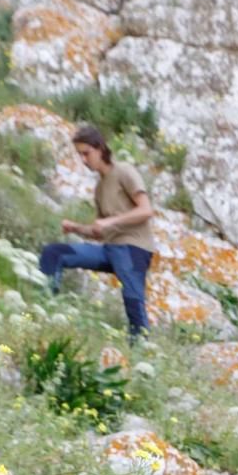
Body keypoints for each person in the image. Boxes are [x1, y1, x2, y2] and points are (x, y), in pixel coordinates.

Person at [38, 123, 154, 337]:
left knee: (134, 302)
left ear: (100, 148)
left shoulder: (124, 172)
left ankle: (141, 349)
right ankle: (43, 315)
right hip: (110, 249)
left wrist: (112, 222)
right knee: (53, 253)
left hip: (134, 249)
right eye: (79, 155)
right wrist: (76, 227)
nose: (83, 160)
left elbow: (146, 210)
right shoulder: (100, 187)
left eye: (86, 153)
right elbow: (100, 231)